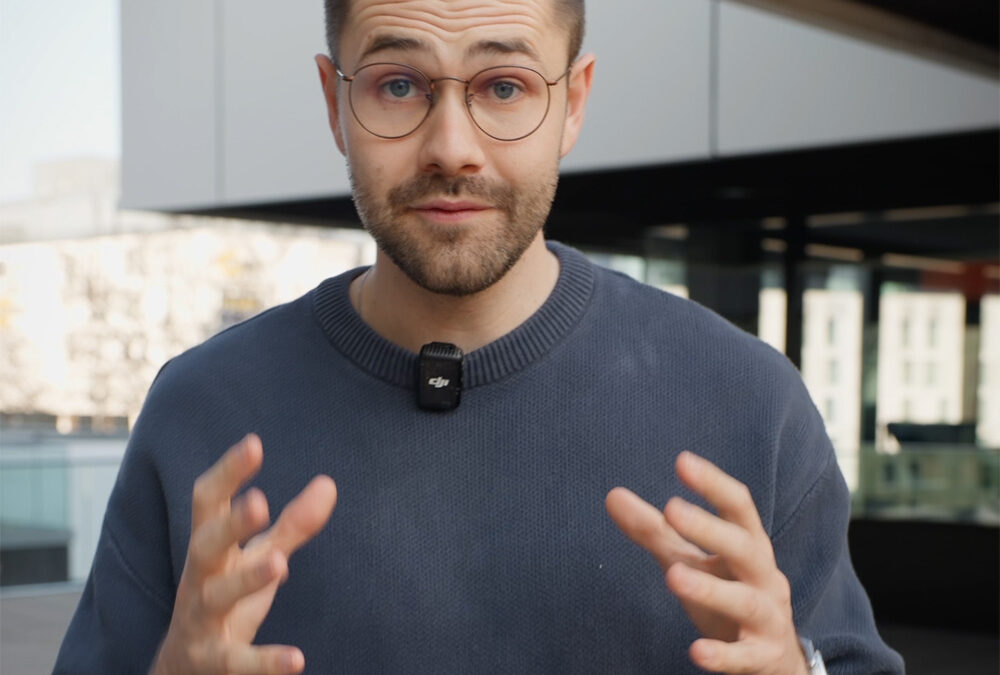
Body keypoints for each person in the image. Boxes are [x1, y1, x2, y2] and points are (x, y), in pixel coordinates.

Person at [55, 0, 904, 673]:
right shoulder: (199, 411)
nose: (452, 149)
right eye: (398, 84)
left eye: (504, 87)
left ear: (573, 102)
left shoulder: (750, 403)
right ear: (334, 102)